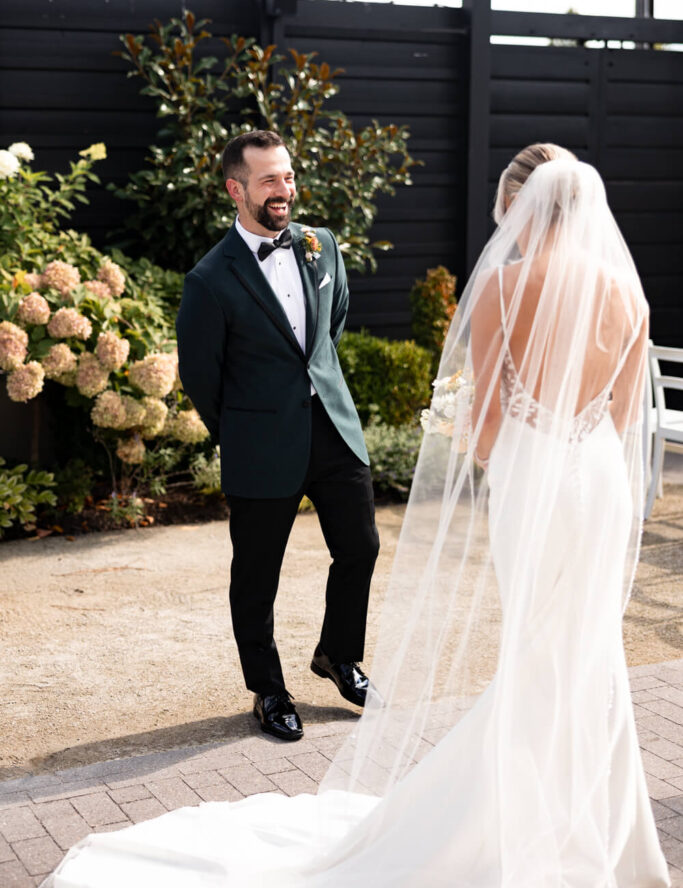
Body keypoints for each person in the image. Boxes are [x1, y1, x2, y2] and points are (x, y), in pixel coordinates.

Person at [44, 145, 670, 887]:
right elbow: (625, 418)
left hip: (534, 479)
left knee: (533, 638)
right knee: (582, 643)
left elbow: (494, 420)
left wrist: (489, 452)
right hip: (597, 483)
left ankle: (507, 816)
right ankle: (597, 825)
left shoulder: (503, 288)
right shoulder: (628, 294)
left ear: (522, 206)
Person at [174, 129, 380, 741]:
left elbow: (330, 327)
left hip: (334, 429)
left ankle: (338, 655)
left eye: (287, 176)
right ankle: (267, 689)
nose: (283, 190)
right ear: (236, 189)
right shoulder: (209, 279)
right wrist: (244, 430)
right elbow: (201, 380)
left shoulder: (324, 246)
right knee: (257, 573)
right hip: (261, 444)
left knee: (361, 546)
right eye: (268, 180)